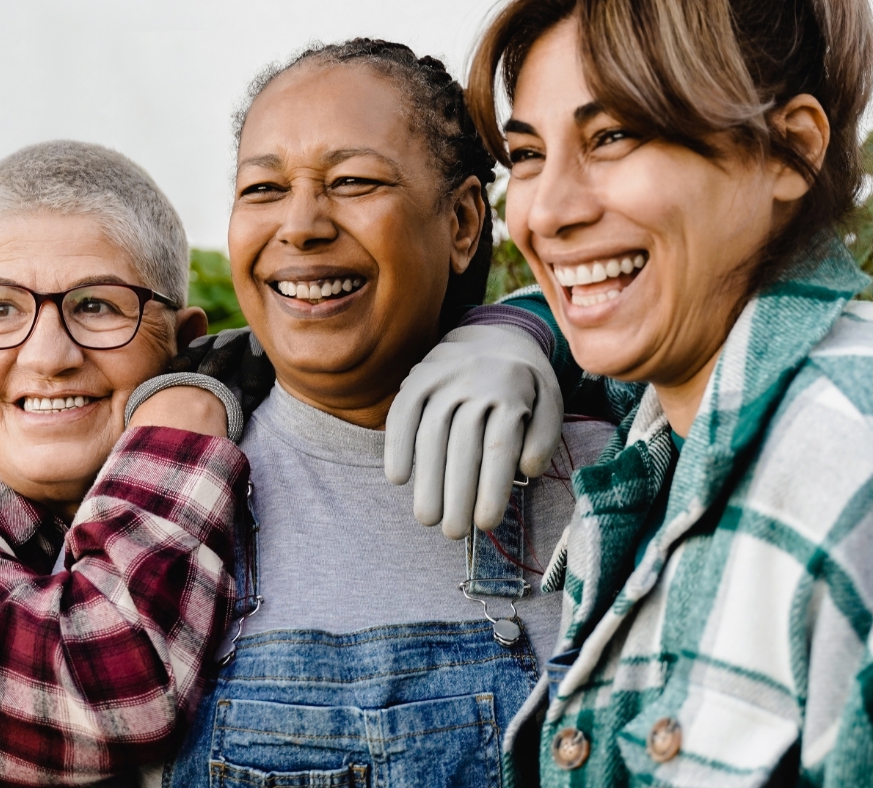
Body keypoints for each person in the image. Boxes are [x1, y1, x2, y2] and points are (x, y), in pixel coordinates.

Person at [0, 140, 571, 785]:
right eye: (1, 310)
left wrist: (516, 327)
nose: (46, 355)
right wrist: (181, 414)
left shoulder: (223, 505)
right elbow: (104, 686)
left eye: (96, 306)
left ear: (182, 341)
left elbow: (367, 332)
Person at [465, 0, 873, 785]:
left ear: (790, 151)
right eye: (528, 154)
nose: (548, 211)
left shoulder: (871, 468)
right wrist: (513, 326)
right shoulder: (670, 424)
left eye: (614, 136)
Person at [153, 40, 614, 788]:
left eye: (353, 181)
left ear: (462, 222)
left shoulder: (607, 481)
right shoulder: (162, 498)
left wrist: (530, 326)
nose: (300, 225)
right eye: (263, 188)